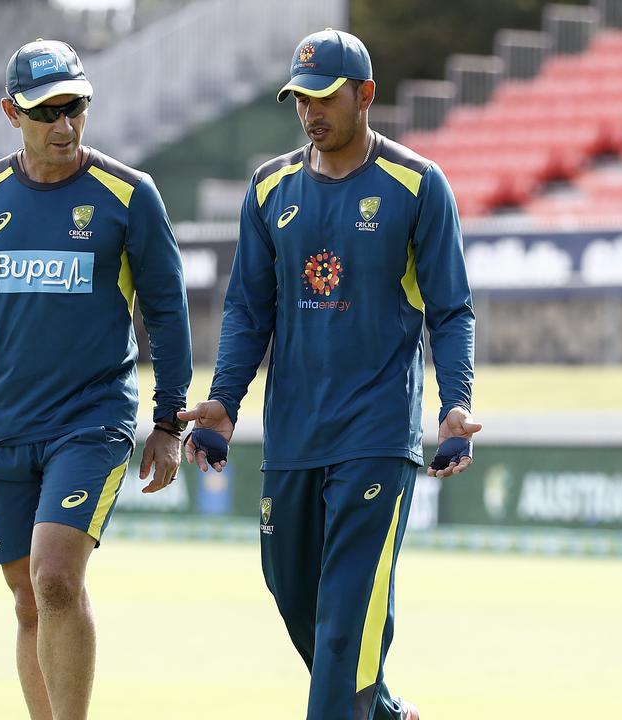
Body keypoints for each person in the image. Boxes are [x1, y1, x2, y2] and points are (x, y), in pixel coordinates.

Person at [179, 29, 482, 720]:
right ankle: (380, 713)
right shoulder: (270, 187)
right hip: (292, 439)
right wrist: (224, 402)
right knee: (295, 601)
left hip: (376, 438)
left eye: (324, 96)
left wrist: (455, 403)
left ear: (365, 95)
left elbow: (451, 309)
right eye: (299, 99)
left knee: (346, 624)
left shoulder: (417, 186)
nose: (310, 111)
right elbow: (248, 308)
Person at [0, 38, 192, 720]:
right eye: (47, 112)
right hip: (6, 428)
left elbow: (168, 312)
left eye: (76, 108)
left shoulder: (130, 195)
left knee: (57, 578)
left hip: (93, 422)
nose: (65, 126)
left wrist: (170, 421)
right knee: (28, 599)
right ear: (12, 113)